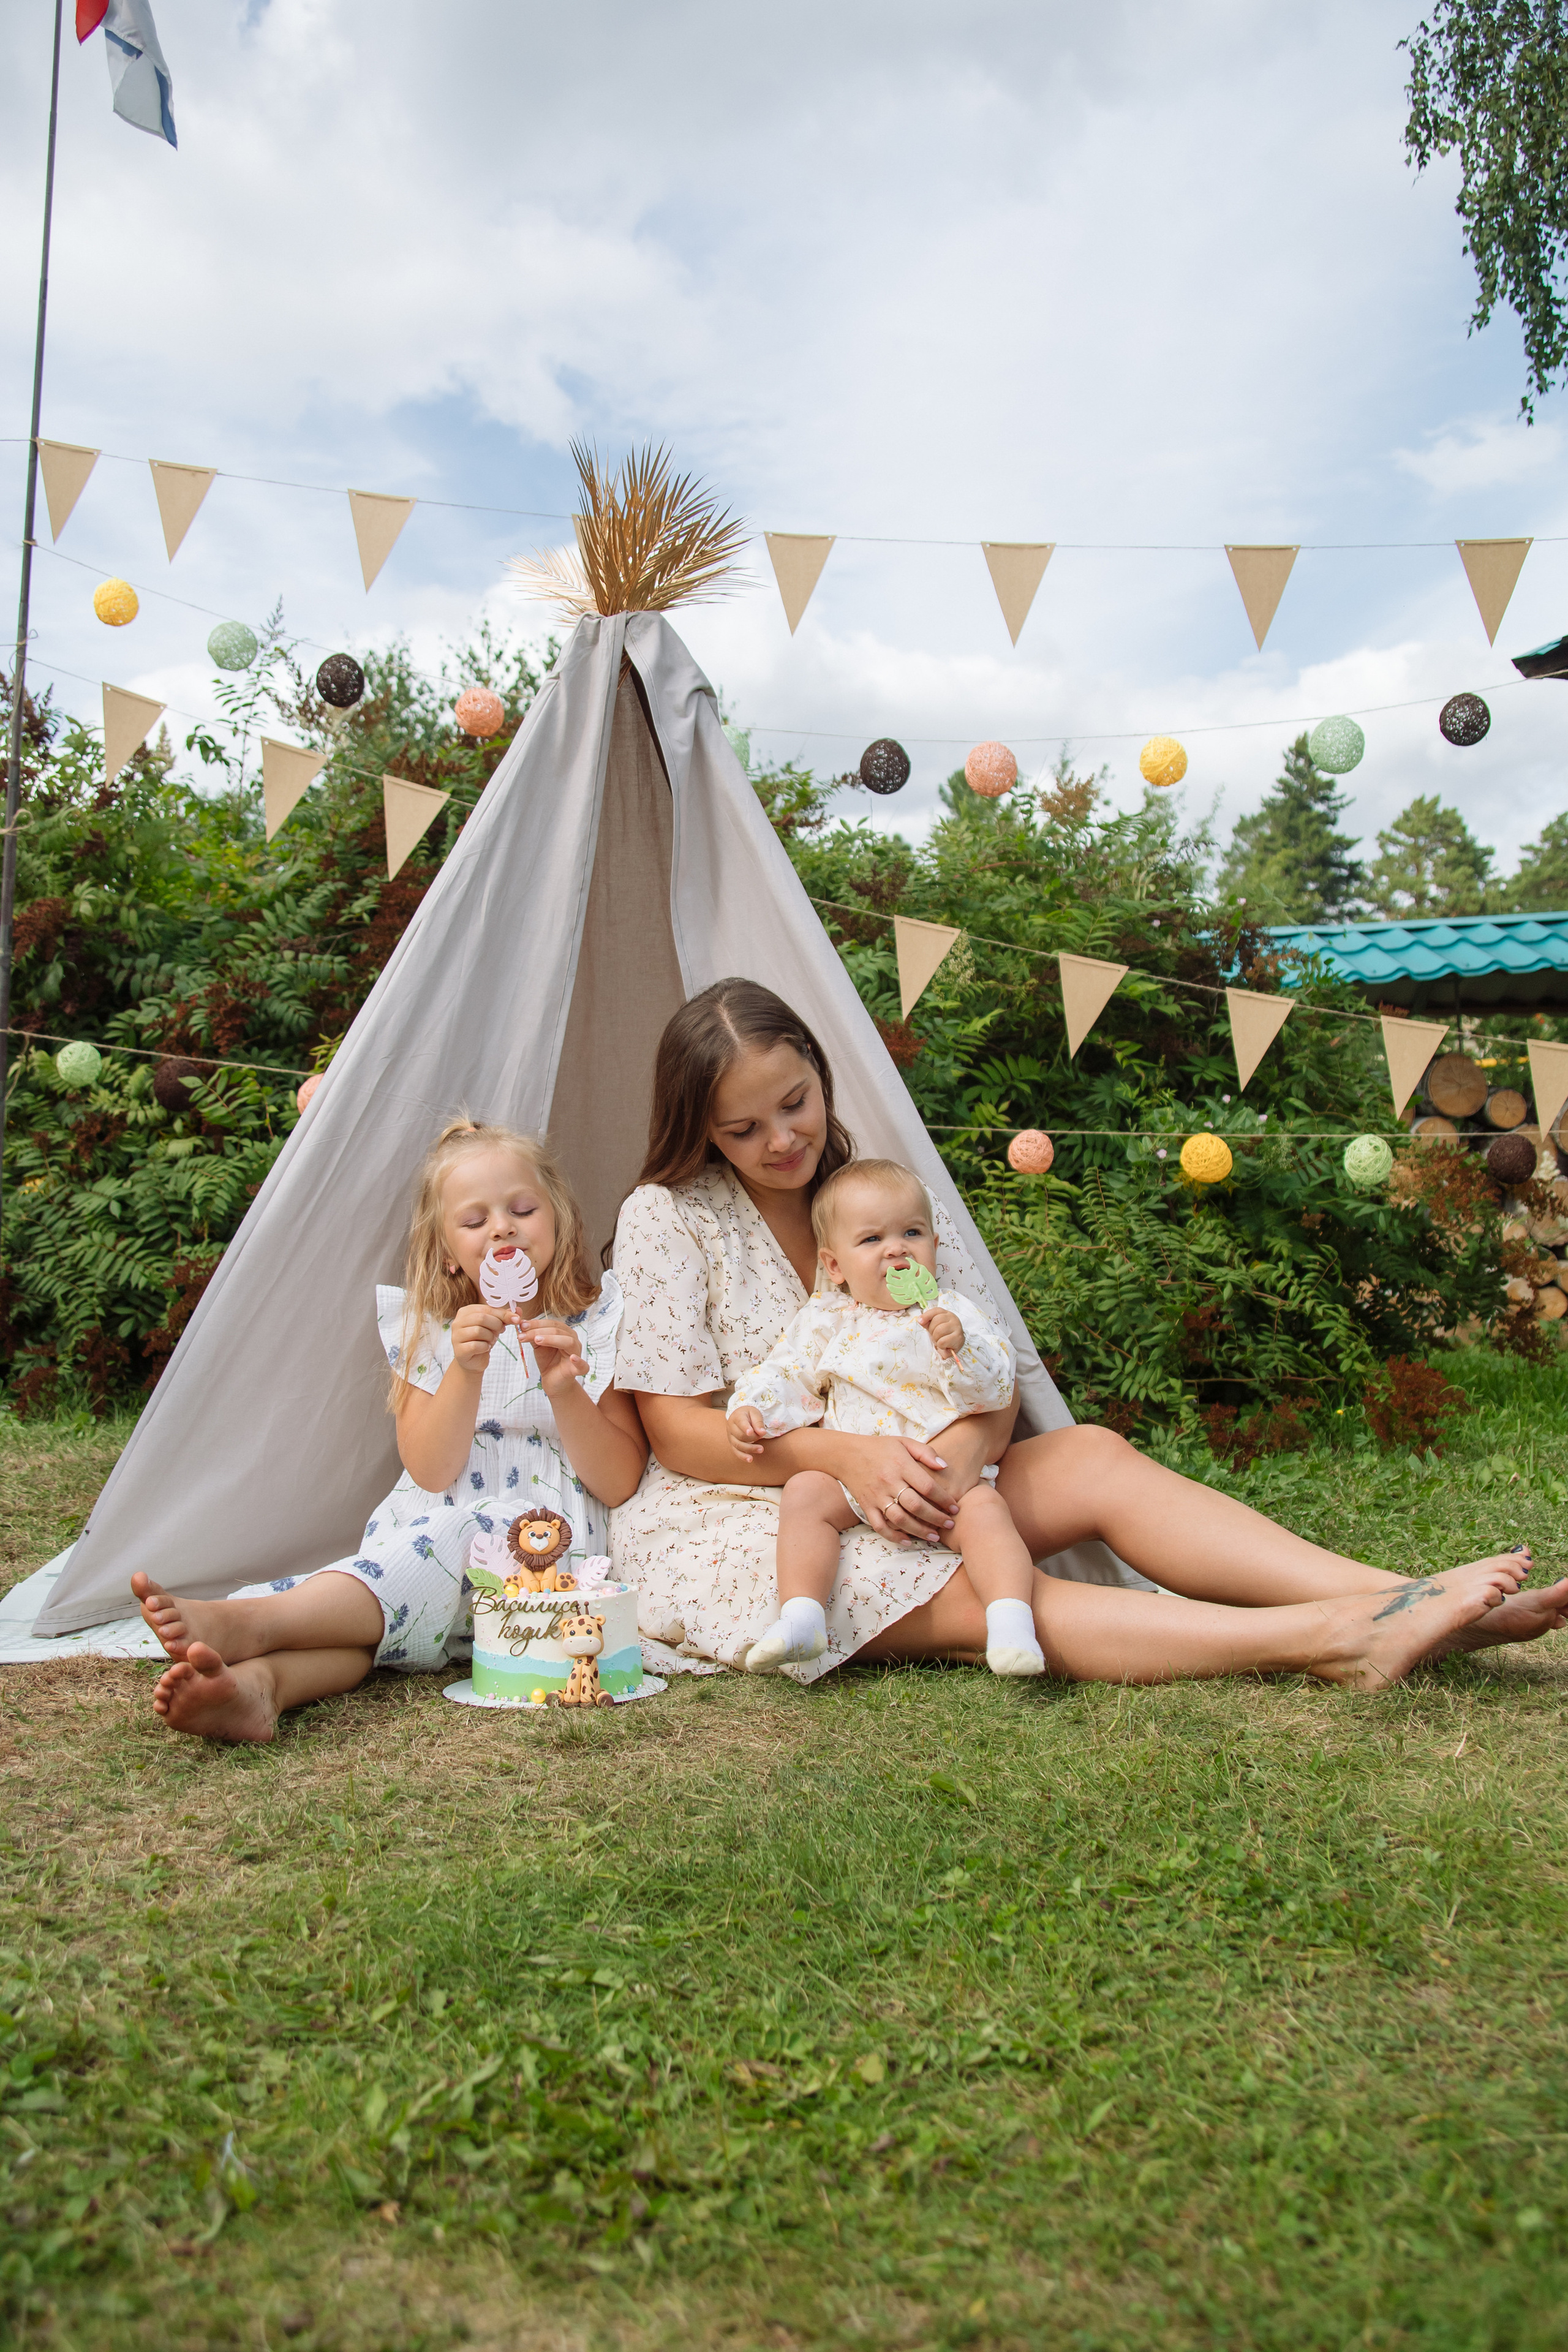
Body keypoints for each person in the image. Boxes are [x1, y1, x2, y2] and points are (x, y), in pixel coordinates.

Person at [611, 978, 1568, 1691]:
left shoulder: (880, 1198)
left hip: (934, 1472)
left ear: (820, 1075)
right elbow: (677, 1433)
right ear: (702, 1129)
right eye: (745, 1130)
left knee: (1095, 1456)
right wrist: (848, 1459)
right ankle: (1337, 1641)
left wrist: (951, 1464)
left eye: (797, 1105)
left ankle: (1411, 1598)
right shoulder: (669, 1213)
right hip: (748, 1514)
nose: (784, 1141)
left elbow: (987, 1373)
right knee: (1000, 1593)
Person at [132, 1120, 647, 1742]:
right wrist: (464, 1368)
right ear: (448, 1252)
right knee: (386, 1618)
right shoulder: (430, 1333)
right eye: (474, 1221)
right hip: (425, 1540)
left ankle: (255, 1622)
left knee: (434, 1558)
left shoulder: (597, 1323)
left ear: (558, 1215)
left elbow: (620, 1482)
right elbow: (430, 1469)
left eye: (521, 1209)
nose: (502, 1228)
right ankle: (260, 1690)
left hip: (541, 1558)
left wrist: (564, 1389)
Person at [726, 1157, 1043, 1678]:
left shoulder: (952, 1313)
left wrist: (958, 1350)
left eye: (912, 1233)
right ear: (836, 1267)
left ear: (934, 1249)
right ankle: (801, 1617)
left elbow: (996, 1388)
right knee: (806, 1493)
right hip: (858, 1479)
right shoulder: (828, 1318)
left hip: (947, 1479)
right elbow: (789, 1372)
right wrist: (753, 1408)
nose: (896, 1248)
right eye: (872, 1240)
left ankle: (1011, 1624)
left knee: (989, 1515)